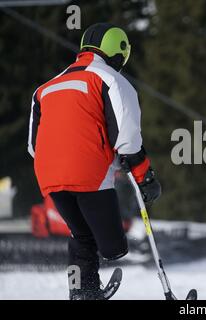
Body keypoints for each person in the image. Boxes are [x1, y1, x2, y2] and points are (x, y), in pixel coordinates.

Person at [27, 23, 161, 300]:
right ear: (119, 51)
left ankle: (81, 292)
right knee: (115, 249)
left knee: (81, 235)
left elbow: (32, 146)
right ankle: (89, 287)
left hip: (49, 177)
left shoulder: (44, 89)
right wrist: (145, 177)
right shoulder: (111, 80)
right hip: (89, 174)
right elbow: (128, 138)